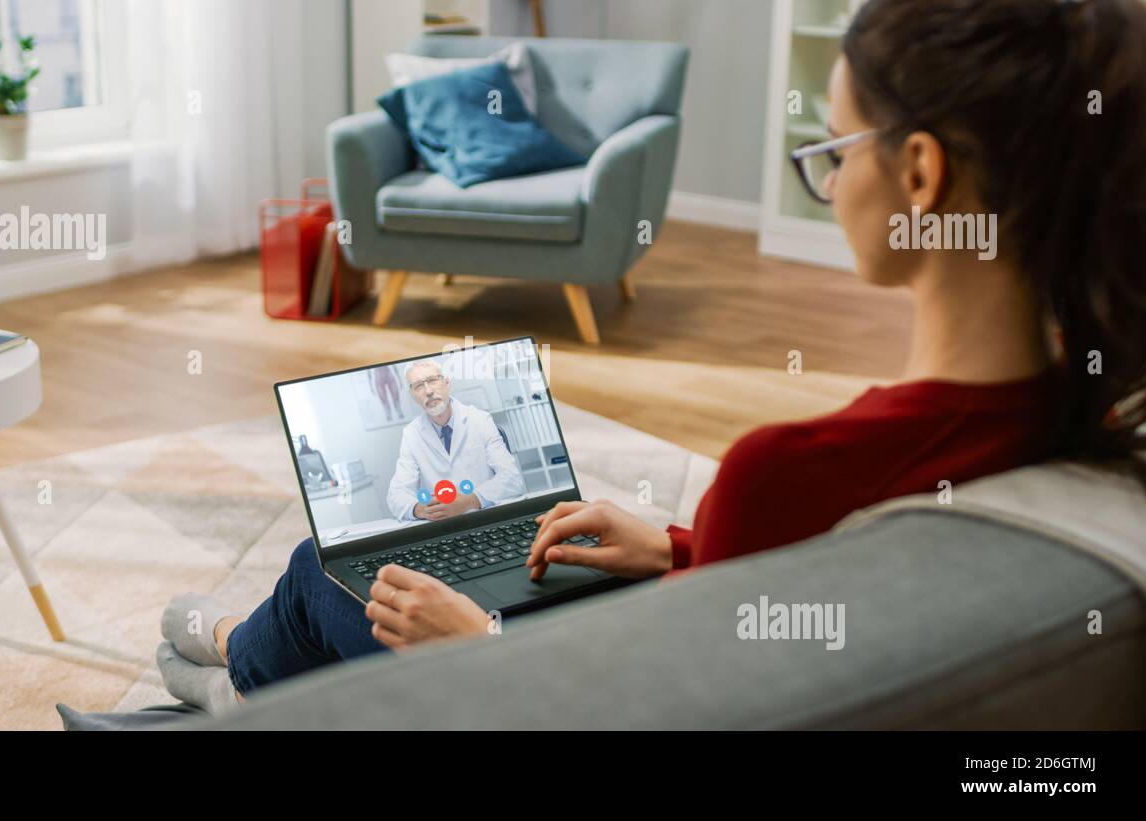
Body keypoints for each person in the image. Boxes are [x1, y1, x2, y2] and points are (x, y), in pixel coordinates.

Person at [154, 0, 1146, 713]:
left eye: (834, 151)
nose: (831, 180)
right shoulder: (1100, 419)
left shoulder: (782, 472)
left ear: (919, 173)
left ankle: (230, 683)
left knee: (330, 569)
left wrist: (482, 647)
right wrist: (678, 548)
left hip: (556, 694)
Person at [385, 359, 525, 523]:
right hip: (442, 525)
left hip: (484, 517)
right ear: (413, 395)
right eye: (419, 386)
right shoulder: (411, 434)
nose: (428, 391)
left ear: (446, 382)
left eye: (432, 380)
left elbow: (512, 478)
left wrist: (470, 501)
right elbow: (396, 495)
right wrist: (419, 509)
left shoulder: (480, 420)